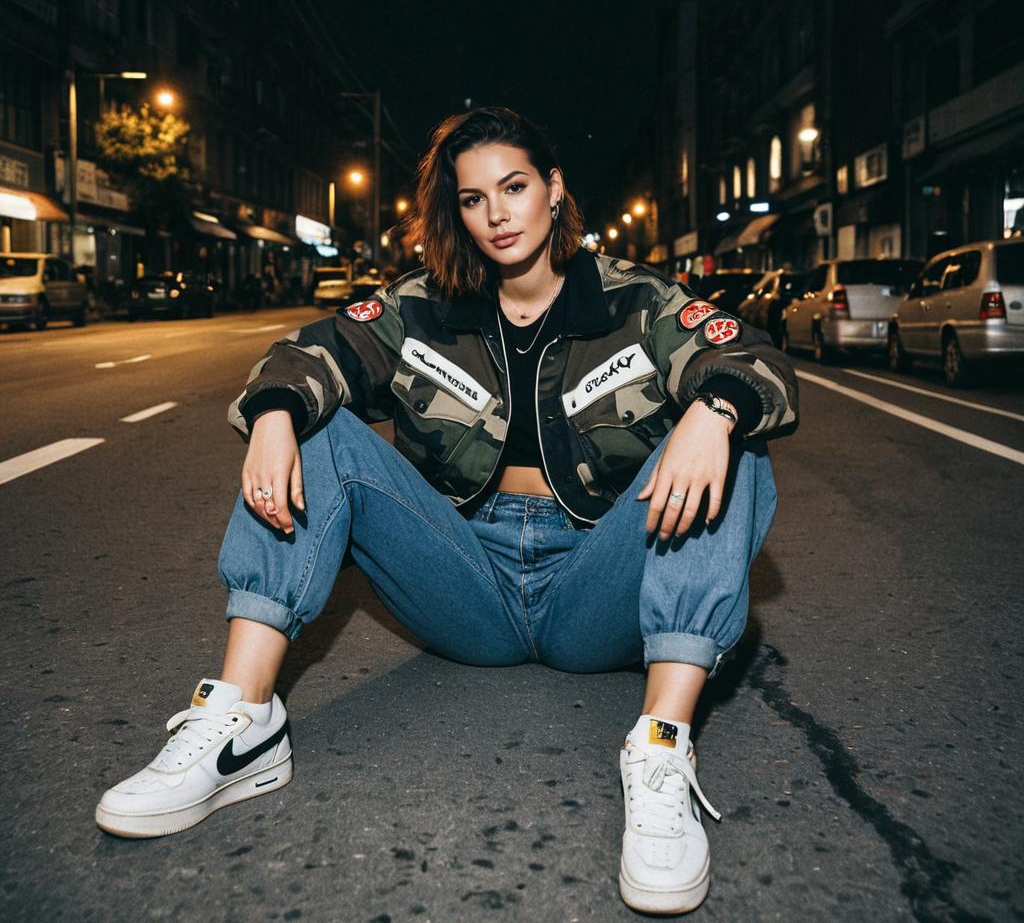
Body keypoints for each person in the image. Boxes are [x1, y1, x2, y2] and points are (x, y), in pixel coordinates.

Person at [95, 108, 797, 915]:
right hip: (469, 581)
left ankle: (663, 750)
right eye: (473, 198)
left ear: (554, 189)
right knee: (310, 417)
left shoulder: (636, 301)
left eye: (515, 187)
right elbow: (309, 352)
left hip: (596, 586)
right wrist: (276, 415)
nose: (496, 213)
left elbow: (753, 355)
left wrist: (713, 409)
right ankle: (242, 722)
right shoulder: (422, 306)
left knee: (731, 426)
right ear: (455, 211)